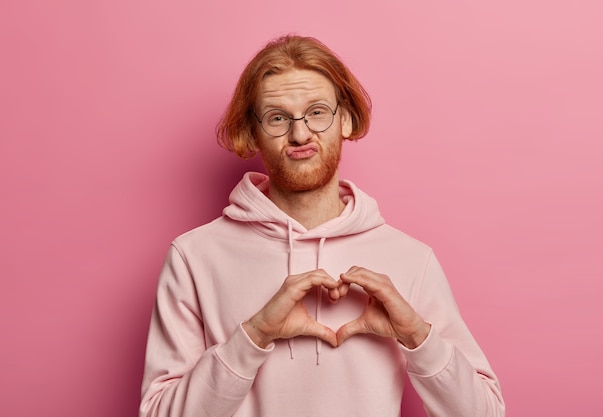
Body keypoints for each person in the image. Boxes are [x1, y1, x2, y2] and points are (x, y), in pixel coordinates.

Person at [139, 35, 505, 417]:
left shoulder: (411, 259)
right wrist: (254, 335)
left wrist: (416, 335)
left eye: (317, 112)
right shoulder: (193, 256)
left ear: (344, 119)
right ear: (252, 132)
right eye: (278, 118)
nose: (300, 134)